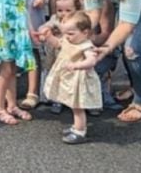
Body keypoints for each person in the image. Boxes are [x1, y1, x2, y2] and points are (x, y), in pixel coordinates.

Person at [41, 10, 102, 144]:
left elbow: (92, 61)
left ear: (85, 32)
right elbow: (58, 44)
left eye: (71, 33)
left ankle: (80, 131)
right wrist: (49, 36)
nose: (67, 37)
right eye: (65, 33)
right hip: (69, 78)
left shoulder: (86, 46)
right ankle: (76, 126)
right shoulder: (69, 40)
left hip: (78, 80)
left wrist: (77, 65)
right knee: (72, 103)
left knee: (77, 106)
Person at [37, 0, 83, 114]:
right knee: (58, 76)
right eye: (60, 10)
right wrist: (44, 32)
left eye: (68, 10)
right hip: (58, 55)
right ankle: (58, 100)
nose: (63, 14)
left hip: (73, 55)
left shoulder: (79, 20)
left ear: (77, 9)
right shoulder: (55, 19)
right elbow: (47, 25)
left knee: (74, 78)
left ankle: (77, 101)